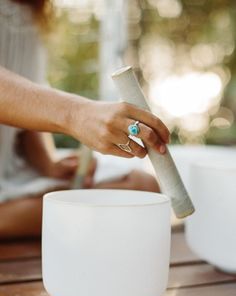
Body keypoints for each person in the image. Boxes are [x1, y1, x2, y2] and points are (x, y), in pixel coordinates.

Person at [0, 0, 169, 238]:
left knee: (142, 188)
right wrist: (77, 114)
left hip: (10, 176)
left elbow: (25, 98)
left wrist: (48, 165)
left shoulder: (32, 8)